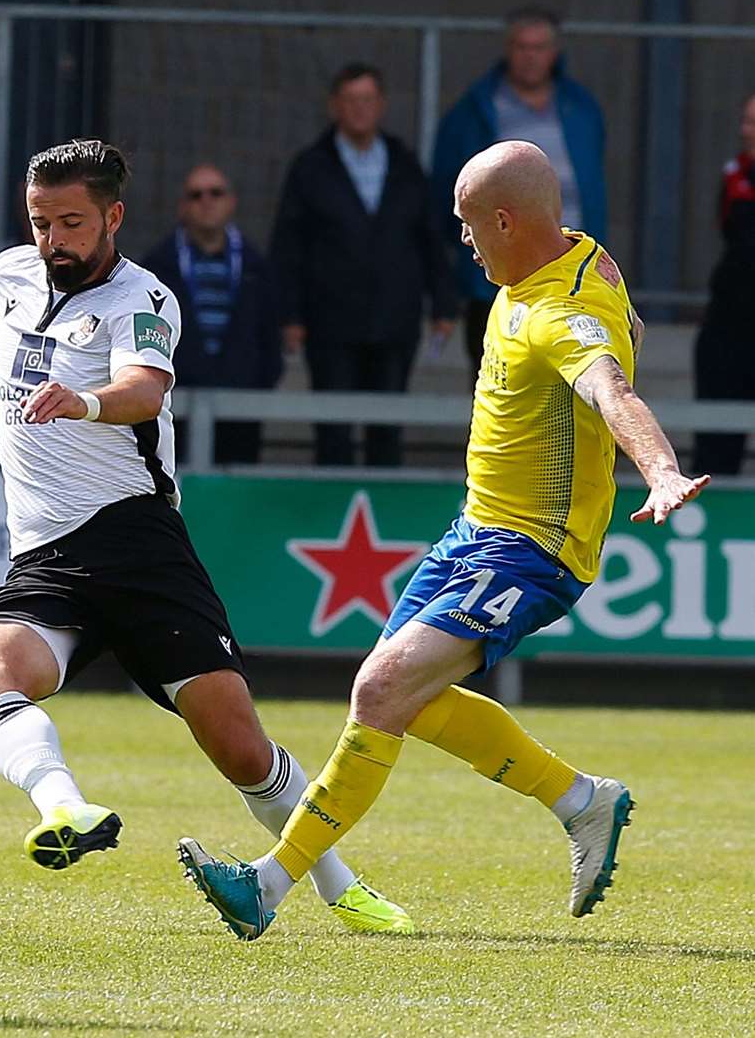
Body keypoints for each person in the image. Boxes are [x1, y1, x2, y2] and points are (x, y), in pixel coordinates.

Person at [179, 142, 711, 941]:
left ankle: (266, 887)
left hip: (531, 548)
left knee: (379, 691)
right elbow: (622, 316)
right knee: (409, 702)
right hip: (474, 531)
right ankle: (582, 802)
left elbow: (612, 387)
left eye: (468, 225)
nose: (461, 239)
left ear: (505, 220)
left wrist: (662, 471)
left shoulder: (558, 316)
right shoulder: (581, 258)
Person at [0, 138, 412, 936]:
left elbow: (141, 389)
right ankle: (66, 810)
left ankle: (341, 886)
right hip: (44, 553)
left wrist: (85, 403)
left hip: (136, 542)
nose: (53, 241)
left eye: (71, 222)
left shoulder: (146, 298)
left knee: (239, 747)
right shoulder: (10, 274)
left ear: (114, 216)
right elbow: (20, 349)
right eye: (40, 222)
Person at [270, 63, 454, 467]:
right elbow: (288, 247)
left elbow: (429, 238)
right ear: (335, 106)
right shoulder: (311, 167)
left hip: (394, 321)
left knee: (387, 430)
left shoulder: (405, 165)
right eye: (351, 100)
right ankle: (331, 514)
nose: (360, 109)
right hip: (330, 323)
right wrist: (290, 315)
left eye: (368, 100)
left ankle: (381, 514)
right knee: (333, 430)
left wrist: (443, 304)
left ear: (382, 105)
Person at [434, 6, 608, 376]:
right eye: (521, 47)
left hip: (569, 268)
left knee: (577, 374)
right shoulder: (474, 111)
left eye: (540, 47)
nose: (530, 56)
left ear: (555, 52)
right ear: (507, 50)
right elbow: (447, 191)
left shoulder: (581, 108)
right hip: (500, 271)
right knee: (500, 381)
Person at [139, 162, 282, 465]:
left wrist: (254, 385)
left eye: (215, 193)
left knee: (239, 504)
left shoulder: (257, 267)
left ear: (231, 202)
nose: (206, 201)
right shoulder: (155, 268)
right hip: (175, 413)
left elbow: (270, 338)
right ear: (183, 207)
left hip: (242, 412)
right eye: (196, 195)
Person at [693, 93, 755, 477]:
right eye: (747, 121)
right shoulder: (734, 175)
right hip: (731, 322)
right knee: (716, 444)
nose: (748, 131)